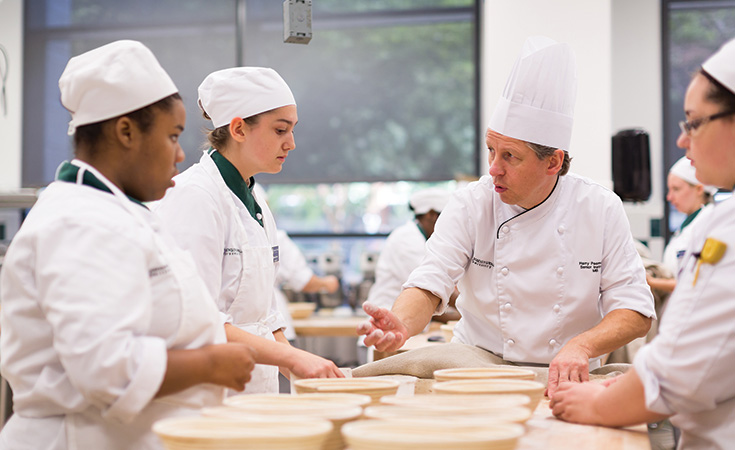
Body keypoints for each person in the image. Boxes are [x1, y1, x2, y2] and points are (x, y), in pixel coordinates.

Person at [358, 36, 655, 398]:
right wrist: (401, 325)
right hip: (474, 369)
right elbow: (430, 280)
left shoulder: (599, 208)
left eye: (510, 156)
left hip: (569, 376)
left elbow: (635, 310)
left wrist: (582, 346)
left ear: (553, 162)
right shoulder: (471, 204)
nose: (493, 169)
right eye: (490, 150)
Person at [0, 40, 256, 449]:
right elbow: (105, 368)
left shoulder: (120, 213)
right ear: (126, 132)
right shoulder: (79, 222)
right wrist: (210, 363)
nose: (180, 153)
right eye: (172, 135)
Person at [551, 37, 735, 450]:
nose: (682, 141)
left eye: (693, 122)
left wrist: (599, 404)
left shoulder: (727, 227)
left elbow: (681, 373)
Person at [154, 67, 343, 394]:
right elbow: (196, 320)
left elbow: (265, 316)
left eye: (293, 130)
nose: (292, 143)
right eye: (280, 130)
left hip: (254, 389)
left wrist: (300, 364)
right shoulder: (195, 197)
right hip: (210, 392)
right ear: (239, 129)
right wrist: (291, 357)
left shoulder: (253, 200)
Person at [646, 156, 716, 294]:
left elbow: (702, 282)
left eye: (676, 189)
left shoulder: (710, 223)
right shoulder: (686, 225)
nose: (669, 197)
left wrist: (653, 282)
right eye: (669, 190)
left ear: (699, 189)